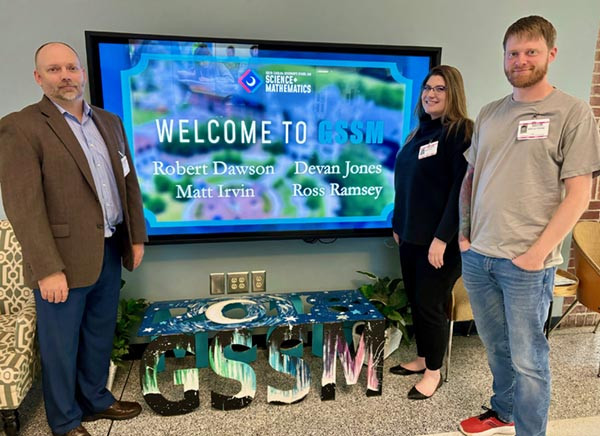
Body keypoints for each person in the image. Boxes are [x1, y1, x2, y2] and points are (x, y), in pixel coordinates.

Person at [458, 16, 600, 436]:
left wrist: (537, 255)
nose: (520, 60)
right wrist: (464, 234)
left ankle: (530, 431)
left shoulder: (572, 113)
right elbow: (470, 178)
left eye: (530, 52)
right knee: (496, 348)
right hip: (479, 256)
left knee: (529, 359)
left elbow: (580, 193)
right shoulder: (489, 113)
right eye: (513, 53)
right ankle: (503, 410)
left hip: (527, 266)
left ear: (550, 54)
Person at [0, 42, 147, 436]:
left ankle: (96, 400)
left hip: (110, 248)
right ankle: (65, 421)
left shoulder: (110, 121)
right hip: (60, 261)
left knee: (99, 334)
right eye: (53, 70)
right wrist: (47, 269)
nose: (65, 76)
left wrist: (136, 237)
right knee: (61, 348)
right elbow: (23, 207)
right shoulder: (21, 126)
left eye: (71, 67)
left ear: (81, 72)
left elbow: (128, 185)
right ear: (38, 78)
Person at [391, 65, 473, 400]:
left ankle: (433, 372)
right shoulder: (418, 134)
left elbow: (461, 190)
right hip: (411, 237)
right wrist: (398, 224)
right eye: (427, 87)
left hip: (439, 242)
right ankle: (423, 357)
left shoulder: (459, 132)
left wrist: (442, 238)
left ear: (453, 93)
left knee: (430, 305)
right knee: (416, 299)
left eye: (440, 88)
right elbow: (406, 184)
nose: (430, 94)